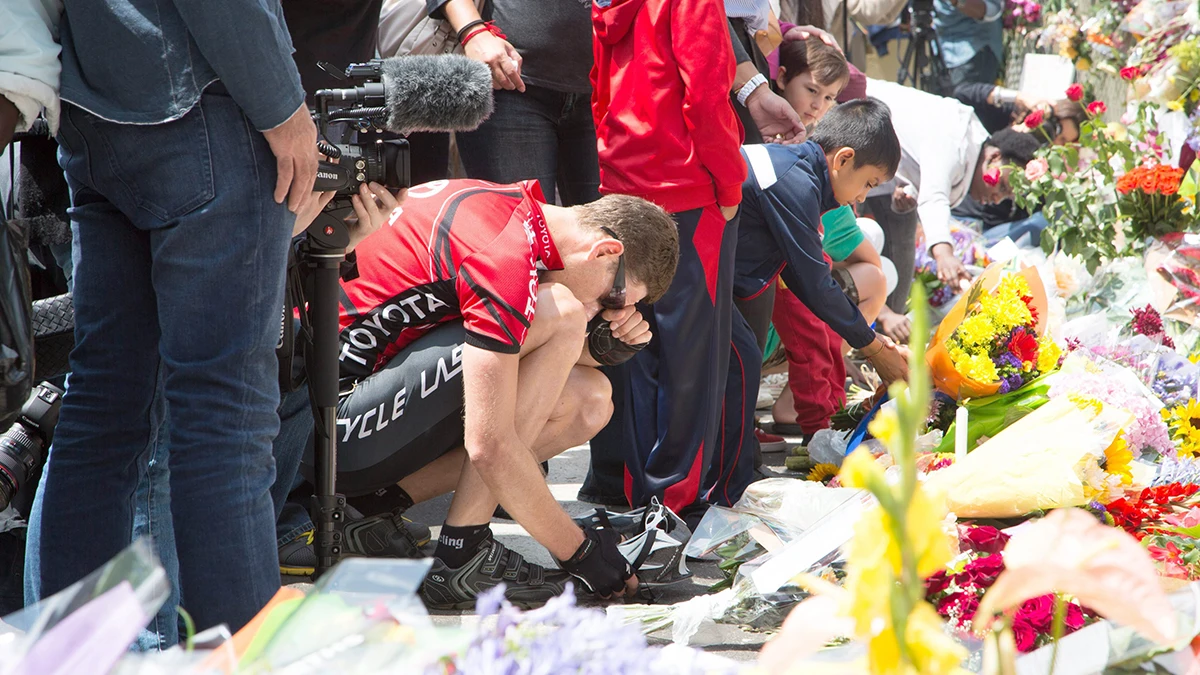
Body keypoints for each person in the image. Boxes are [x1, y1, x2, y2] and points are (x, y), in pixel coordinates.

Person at [27, 0, 319, 639]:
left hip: (93, 104)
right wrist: (285, 110)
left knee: (105, 405)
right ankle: (236, 656)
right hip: (198, 101)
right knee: (224, 416)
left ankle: (68, 654)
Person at [276, 178, 679, 608]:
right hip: (313, 430)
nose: (601, 312)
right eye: (612, 300)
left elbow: (525, 362)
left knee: (588, 399)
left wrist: (600, 348)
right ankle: (461, 553)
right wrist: (580, 552)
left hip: (326, 408)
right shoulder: (506, 254)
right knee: (559, 312)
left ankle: (365, 513)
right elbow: (489, 445)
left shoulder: (514, 210)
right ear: (605, 251)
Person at [590, 0, 747, 523]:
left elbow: (598, 86)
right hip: (686, 184)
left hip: (622, 181)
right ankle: (674, 501)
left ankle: (649, 496)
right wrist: (729, 181)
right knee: (691, 356)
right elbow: (705, 95)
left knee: (638, 342)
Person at [707, 98, 908, 503]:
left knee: (740, 357)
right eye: (867, 183)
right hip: (693, 277)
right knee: (741, 358)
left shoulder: (803, 174)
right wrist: (874, 349)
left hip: (719, 278)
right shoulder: (795, 180)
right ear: (843, 158)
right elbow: (814, 283)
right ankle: (726, 488)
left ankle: (739, 467)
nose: (861, 198)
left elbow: (804, 279)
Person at [862, 78, 1043, 341]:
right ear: (993, 157)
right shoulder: (956, 137)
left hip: (872, 176)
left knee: (898, 266)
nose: (996, 198)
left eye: (1006, 197)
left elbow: (921, 180)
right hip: (848, 127)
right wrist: (944, 254)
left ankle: (881, 345)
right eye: (1002, 187)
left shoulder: (969, 154)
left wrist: (907, 196)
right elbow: (934, 195)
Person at [932, 0, 1004, 89]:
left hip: (972, 54)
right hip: (940, 53)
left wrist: (958, 2)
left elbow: (993, 9)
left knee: (966, 100)